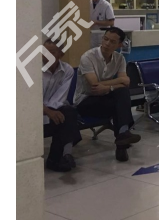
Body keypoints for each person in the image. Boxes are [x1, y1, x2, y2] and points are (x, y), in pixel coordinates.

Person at [74, 27, 140, 162]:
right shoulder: (88, 57)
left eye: (112, 42)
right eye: (105, 39)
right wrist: (117, 82)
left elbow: (126, 83)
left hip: (104, 98)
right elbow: (94, 85)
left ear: (119, 45)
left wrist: (108, 87)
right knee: (120, 104)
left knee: (122, 95)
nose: (107, 43)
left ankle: (122, 136)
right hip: (85, 101)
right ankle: (122, 137)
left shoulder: (119, 58)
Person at [42, 39, 81, 172]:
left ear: (61, 54)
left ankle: (62, 157)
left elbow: (59, 97)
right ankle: (63, 156)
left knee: (68, 112)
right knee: (66, 117)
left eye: (52, 52)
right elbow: (28, 100)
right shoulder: (33, 70)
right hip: (32, 116)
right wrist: (47, 111)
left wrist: (51, 111)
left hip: (52, 112)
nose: (46, 55)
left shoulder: (67, 70)